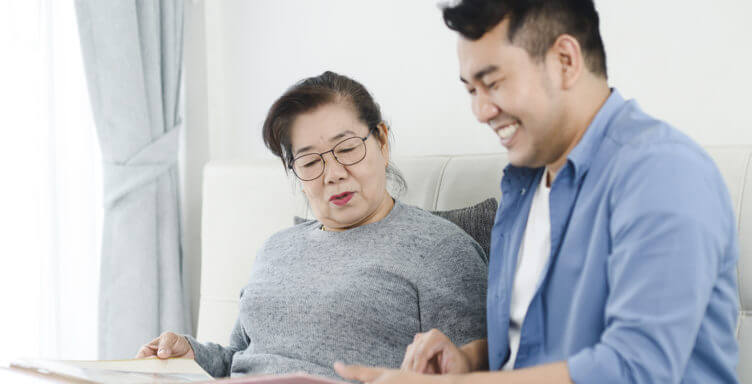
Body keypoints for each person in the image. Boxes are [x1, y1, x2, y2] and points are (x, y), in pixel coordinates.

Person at [335, 1, 740, 383]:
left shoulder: (662, 172)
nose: (480, 111)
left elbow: (634, 368)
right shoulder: (524, 184)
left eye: (492, 83)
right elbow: (542, 343)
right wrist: (469, 360)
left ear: (565, 61)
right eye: (471, 90)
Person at [136, 71, 488, 380]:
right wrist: (192, 355)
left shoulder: (441, 249)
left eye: (348, 149)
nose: (333, 174)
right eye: (309, 162)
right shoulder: (275, 248)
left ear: (381, 140)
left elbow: (469, 372)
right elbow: (239, 359)